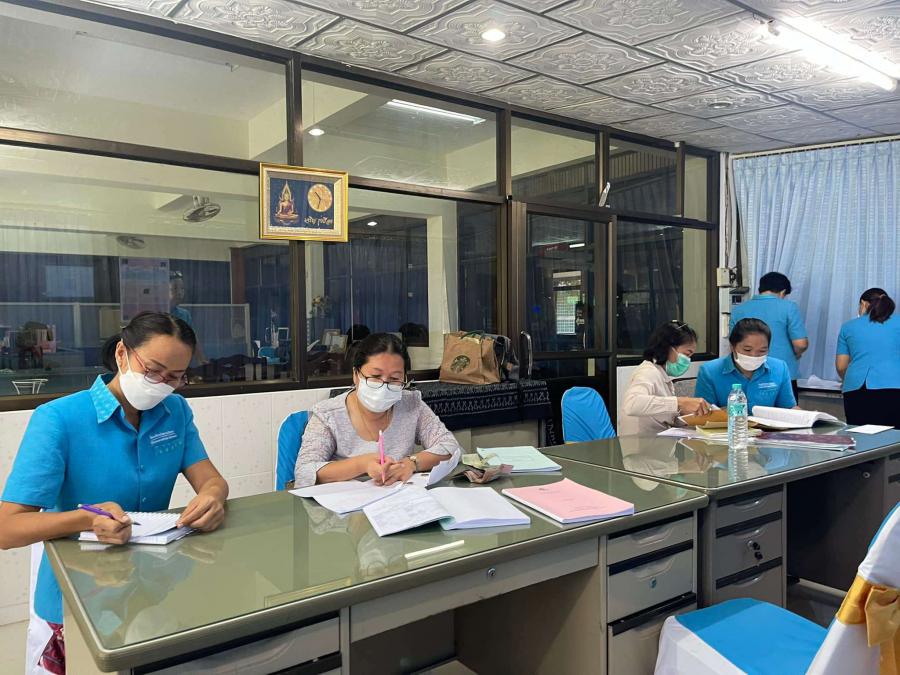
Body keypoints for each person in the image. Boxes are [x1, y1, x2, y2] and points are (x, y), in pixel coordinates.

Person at [0, 311, 228, 674]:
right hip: (77, 600)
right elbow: (7, 529)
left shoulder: (174, 411)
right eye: (153, 371)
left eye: (174, 377)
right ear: (122, 353)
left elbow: (212, 480)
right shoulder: (59, 418)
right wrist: (86, 519)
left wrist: (213, 498)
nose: (162, 385)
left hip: (150, 590)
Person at [295, 333, 460, 488]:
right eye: (375, 377)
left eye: (394, 378)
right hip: (345, 505)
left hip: (397, 501)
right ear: (356, 375)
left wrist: (411, 463)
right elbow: (304, 472)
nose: (384, 386)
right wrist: (362, 464)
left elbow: (450, 446)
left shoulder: (411, 404)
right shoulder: (327, 414)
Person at [619, 321, 713, 436]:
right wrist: (679, 403)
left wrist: (688, 415)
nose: (688, 361)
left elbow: (661, 415)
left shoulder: (662, 375)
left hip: (659, 442)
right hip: (642, 445)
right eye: (687, 354)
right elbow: (631, 404)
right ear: (668, 348)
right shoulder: (648, 372)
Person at [730, 272, 808, 400]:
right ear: (783, 292)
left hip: (746, 373)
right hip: (781, 375)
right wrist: (797, 354)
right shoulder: (789, 307)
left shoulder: (739, 310)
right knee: (785, 411)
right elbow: (801, 344)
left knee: (748, 410)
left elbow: (733, 344)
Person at [696, 318, 797, 411]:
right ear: (732, 347)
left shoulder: (780, 368)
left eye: (762, 351)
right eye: (747, 350)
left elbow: (788, 408)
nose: (754, 355)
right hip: (728, 424)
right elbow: (703, 414)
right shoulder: (710, 371)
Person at [836, 288, 900, 427]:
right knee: (894, 436)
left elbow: (841, 366)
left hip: (857, 389)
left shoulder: (848, 327)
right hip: (895, 387)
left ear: (864, 303)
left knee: (860, 434)